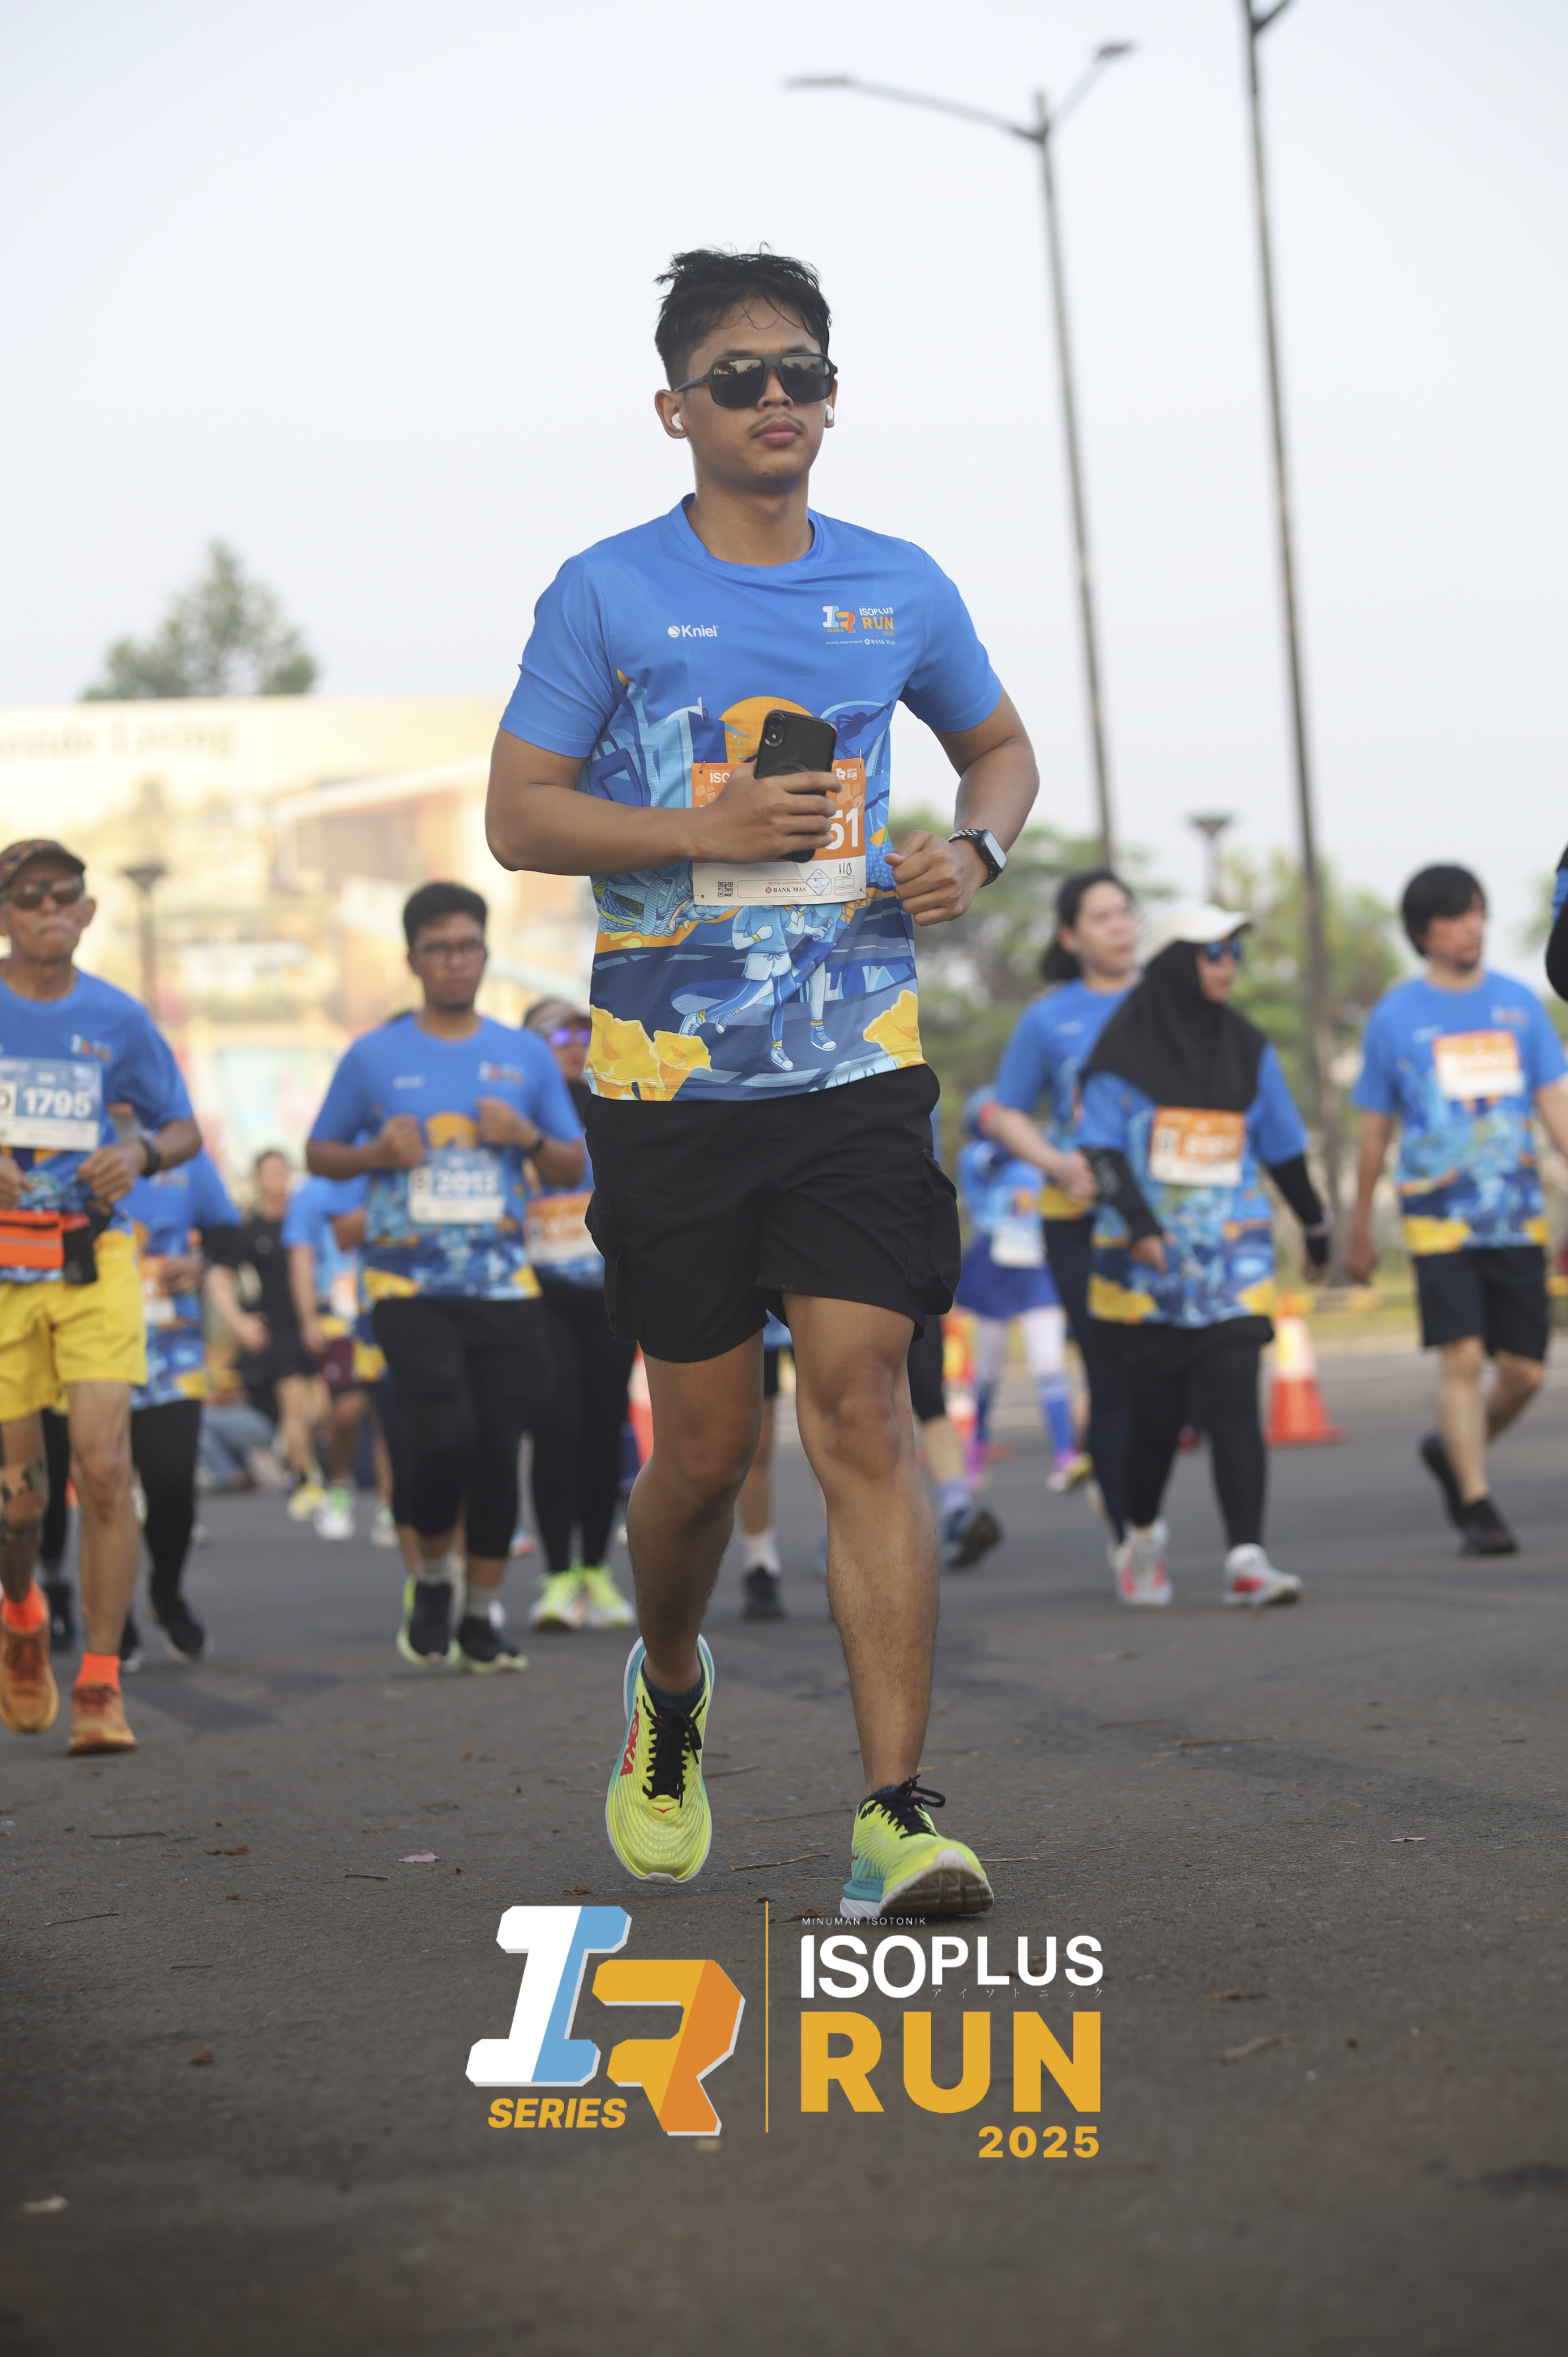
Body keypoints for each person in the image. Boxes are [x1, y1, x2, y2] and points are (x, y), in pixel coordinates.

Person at [485, 248, 1037, 1920]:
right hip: (667, 1086)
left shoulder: (898, 583)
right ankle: (668, 1685)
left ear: (832, 397)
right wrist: (696, 828)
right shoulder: (606, 591)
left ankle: (893, 1815)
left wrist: (974, 852)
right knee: (706, 1455)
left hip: (855, 1062)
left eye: (802, 371)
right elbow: (520, 814)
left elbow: (996, 750)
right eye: (739, 377)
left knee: (860, 1398)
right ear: (675, 408)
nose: (776, 398)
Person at [306, 881, 583, 1670]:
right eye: (438, 949)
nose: (455, 961)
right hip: (407, 1284)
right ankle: (433, 1576)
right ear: (412, 959)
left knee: (496, 1449)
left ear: (485, 954)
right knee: (444, 1437)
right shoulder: (373, 1055)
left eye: (467, 946)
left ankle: (481, 1614)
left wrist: (526, 1134)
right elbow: (320, 1152)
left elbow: (570, 1163)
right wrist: (373, 1153)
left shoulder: (523, 1055)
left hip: (503, 1284)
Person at [0, 837, 201, 1752]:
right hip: (6, 1275)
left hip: (94, 1263)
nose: (49, 908)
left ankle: (99, 1683)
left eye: (65, 894)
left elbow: (182, 1127)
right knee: (21, 1503)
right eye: (28, 895)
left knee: (106, 1470)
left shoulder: (119, 1018)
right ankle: (22, 1610)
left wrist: (140, 1153)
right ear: (6, 914)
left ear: (86, 910)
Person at [1077, 903, 1330, 1609]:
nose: (1227, 965)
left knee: (1233, 1401)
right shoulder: (1117, 1054)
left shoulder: (1248, 1048)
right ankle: (1141, 1535)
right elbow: (1098, 1152)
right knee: (1155, 1421)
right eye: (1212, 951)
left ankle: (1246, 1557)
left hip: (1232, 1262)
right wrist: (1139, 1225)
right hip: (1145, 1269)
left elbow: (1283, 1149)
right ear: (1172, 964)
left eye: (1234, 952)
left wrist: (1315, 1228)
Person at [1348, 865, 1568, 1555]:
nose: (1471, 926)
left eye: (1476, 911)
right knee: (1462, 1355)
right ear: (1423, 933)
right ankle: (1476, 1503)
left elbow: (1554, 1104)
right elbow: (1374, 1131)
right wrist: (1357, 1228)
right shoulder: (1394, 1017)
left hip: (1515, 1215)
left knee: (1525, 1371)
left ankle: (1452, 1450)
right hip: (1437, 1219)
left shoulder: (1518, 1005)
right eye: (1453, 916)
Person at [985, 868, 1140, 1543]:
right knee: (1109, 1369)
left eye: (1125, 912)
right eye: (1102, 916)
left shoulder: (1168, 1001)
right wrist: (1056, 1163)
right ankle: (1129, 1531)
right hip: (1078, 1219)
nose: (1120, 925)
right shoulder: (1048, 1017)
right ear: (1069, 936)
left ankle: (1131, 1494)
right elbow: (1005, 1114)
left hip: (1166, 1216)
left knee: (1171, 1372)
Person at [518, 998, 636, 1634]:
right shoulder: (515, 1110)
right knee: (555, 1424)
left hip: (606, 1289)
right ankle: (558, 1576)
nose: (570, 1041)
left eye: (581, 1030)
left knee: (602, 1427)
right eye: (554, 1032)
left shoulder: (615, 1099)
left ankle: (595, 1568)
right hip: (538, 1292)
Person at [120, 1145, 242, 1663]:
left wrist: (202, 1263)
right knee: (105, 1487)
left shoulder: (181, 1148)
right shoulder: (69, 1138)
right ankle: (110, 1616)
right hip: (85, 1345)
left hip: (172, 1349)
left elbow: (228, 1233)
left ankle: (166, 1590)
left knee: (171, 1480)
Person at [954, 1091, 1085, 1493]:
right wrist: (1036, 1140)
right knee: (988, 1370)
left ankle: (1066, 1455)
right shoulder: (976, 1156)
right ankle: (976, 1448)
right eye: (992, 1116)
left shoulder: (1041, 1155)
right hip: (994, 1265)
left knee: (1049, 1364)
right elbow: (999, 1157)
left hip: (1036, 1266)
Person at [232, 1150, 321, 1517]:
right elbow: (222, 1275)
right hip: (278, 1328)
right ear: (257, 1179)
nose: (277, 1178)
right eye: (269, 1172)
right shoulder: (251, 1229)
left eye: (282, 1171)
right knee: (294, 1406)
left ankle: (289, 1452)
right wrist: (240, 1320)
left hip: (315, 1321)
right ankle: (306, 1481)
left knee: (325, 1410)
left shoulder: (306, 1218)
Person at [283, 1170, 370, 1542]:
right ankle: (339, 1482)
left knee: (389, 1410)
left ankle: (392, 1504)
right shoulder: (311, 1193)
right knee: (346, 1410)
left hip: (384, 1307)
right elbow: (301, 1256)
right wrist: (308, 1320)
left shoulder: (383, 1176)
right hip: (335, 1316)